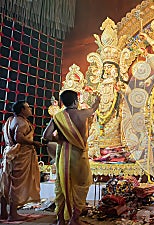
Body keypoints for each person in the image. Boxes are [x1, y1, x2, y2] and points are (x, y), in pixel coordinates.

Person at [43, 90, 100, 225]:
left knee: (63, 185)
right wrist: (97, 99)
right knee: (82, 184)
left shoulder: (58, 117)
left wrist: (59, 140)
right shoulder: (83, 114)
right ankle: (74, 218)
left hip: (64, 155)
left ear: (62, 102)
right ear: (76, 101)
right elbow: (94, 108)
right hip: (79, 156)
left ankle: (60, 219)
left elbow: (46, 135)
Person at [0, 101, 41, 221]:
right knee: (17, 184)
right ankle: (13, 214)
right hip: (20, 155)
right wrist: (34, 143)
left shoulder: (11, 120)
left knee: (7, 183)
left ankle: (3, 212)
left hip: (11, 153)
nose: (31, 109)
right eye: (28, 107)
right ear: (22, 109)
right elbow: (19, 138)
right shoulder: (21, 122)